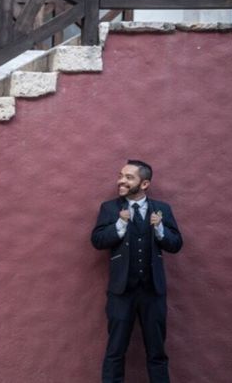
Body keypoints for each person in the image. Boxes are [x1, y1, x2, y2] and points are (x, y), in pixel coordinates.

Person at [90, 160, 183, 383]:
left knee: (157, 353)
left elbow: (176, 244)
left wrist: (160, 228)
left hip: (153, 292)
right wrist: (119, 225)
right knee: (115, 352)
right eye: (121, 175)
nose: (121, 180)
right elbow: (98, 240)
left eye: (129, 177)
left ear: (144, 183)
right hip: (121, 293)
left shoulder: (162, 210)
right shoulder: (110, 208)